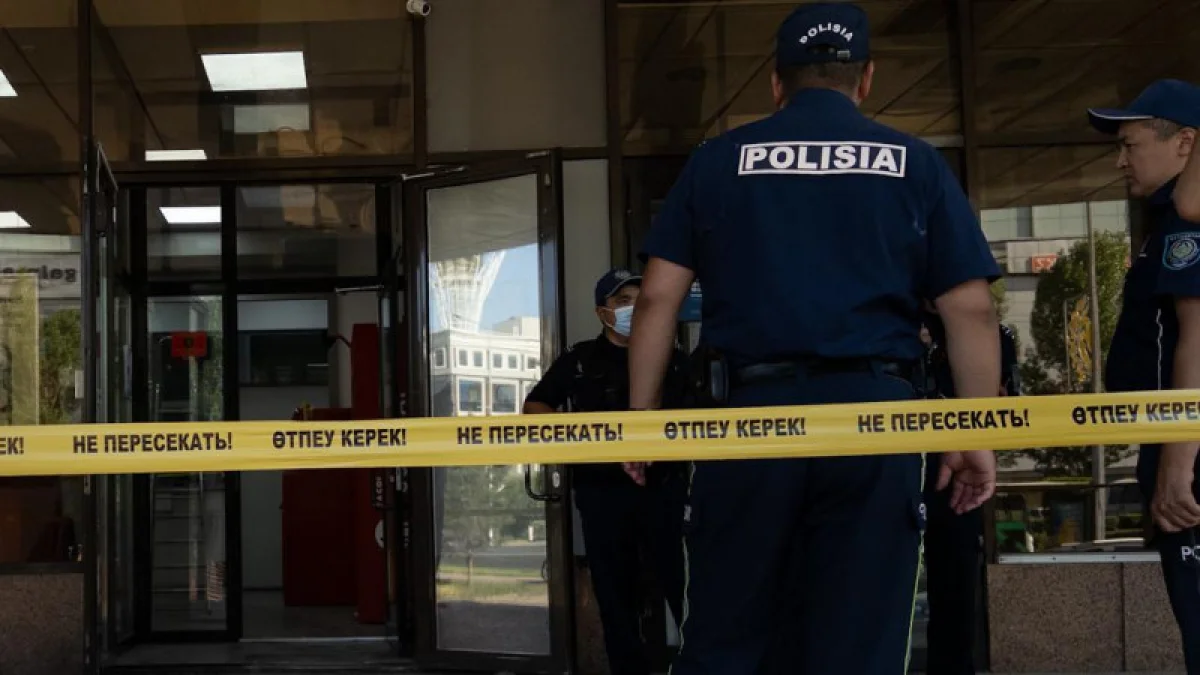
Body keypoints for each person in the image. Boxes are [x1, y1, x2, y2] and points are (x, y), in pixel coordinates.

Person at [624, 3, 1003, 673]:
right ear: (866, 79)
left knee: (729, 636)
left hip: (748, 423)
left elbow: (656, 298)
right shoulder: (914, 164)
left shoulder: (719, 161)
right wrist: (974, 430)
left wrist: (642, 419)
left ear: (777, 82)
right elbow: (969, 310)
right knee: (858, 644)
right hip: (876, 423)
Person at [523, 268, 689, 675]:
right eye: (623, 301)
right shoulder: (580, 360)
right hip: (602, 495)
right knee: (616, 595)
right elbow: (536, 406)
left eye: (640, 299)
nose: (634, 308)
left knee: (681, 587)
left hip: (665, 491)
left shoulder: (671, 356)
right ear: (603, 313)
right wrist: (575, 435)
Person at [1087, 78, 1200, 671]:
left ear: (1185, 142)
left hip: (1191, 452)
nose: (1120, 160)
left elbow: (1197, 340)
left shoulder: (1186, 222)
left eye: (1130, 145)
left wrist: (1178, 467)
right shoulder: (1168, 221)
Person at [920, 310, 1020, 675]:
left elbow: (1005, 404)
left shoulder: (991, 335)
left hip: (959, 475)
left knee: (955, 593)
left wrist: (972, 440)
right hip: (889, 466)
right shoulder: (888, 323)